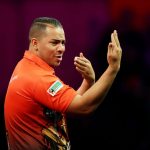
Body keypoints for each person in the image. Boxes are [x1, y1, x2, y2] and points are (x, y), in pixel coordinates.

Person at [4, 17, 122, 150]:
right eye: (54, 43)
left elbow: (69, 105)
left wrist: (88, 81)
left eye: (63, 43)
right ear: (35, 43)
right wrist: (113, 69)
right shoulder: (37, 78)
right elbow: (83, 107)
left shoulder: (26, 66)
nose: (62, 49)